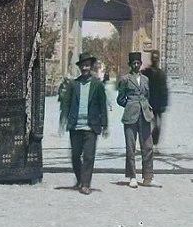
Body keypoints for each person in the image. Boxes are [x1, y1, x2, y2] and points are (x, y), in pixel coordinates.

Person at [64, 53, 108, 195]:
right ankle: (80, 179)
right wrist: (64, 120)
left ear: (91, 66)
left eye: (87, 65)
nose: (85, 68)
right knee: (76, 156)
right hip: (76, 126)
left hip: (91, 126)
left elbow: (103, 106)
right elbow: (67, 103)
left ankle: (86, 184)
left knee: (89, 156)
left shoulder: (97, 85)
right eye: (83, 65)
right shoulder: (74, 84)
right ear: (80, 67)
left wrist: (105, 125)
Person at [117, 51, 155, 188]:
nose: (136, 65)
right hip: (130, 117)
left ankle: (148, 175)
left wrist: (144, 106)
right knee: (130, 147)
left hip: (144, 115)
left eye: (138, 63)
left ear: (140, 64)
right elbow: (120, 99)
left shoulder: (145, 80)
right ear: (130, 65)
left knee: (148, 146)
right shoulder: (125, 79)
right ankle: (132, 176)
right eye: (133, 63)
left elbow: (147, 96)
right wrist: (130, 105)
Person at [141, 49, 169, 148]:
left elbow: (165, 89)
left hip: (158, 104)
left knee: (158, 125)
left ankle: (154, 142)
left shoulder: (161, 73)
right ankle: (148, 143)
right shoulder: (146, 72)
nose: (155, 60)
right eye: (154, 58)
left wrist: (164, 104)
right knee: (149, 124)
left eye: (156, 58)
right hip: (149, 103)